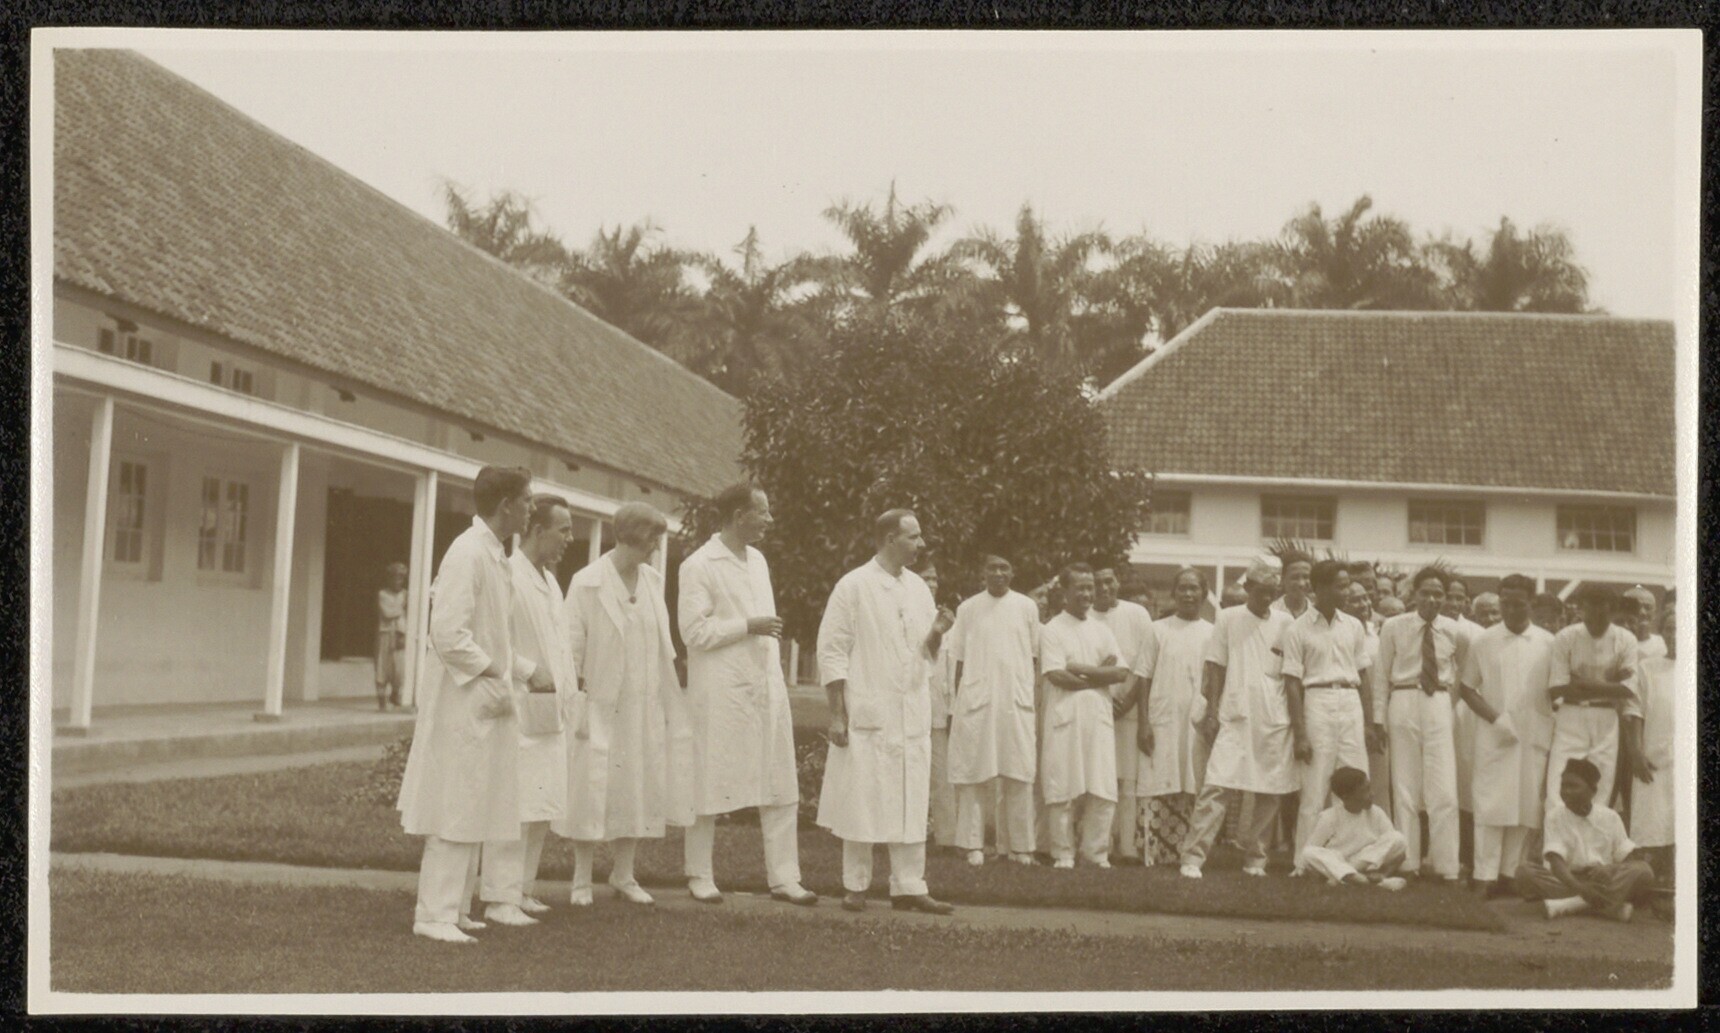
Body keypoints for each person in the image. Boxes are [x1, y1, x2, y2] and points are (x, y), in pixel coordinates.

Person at [397, 465, 534, 943]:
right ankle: (433, 915)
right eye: (527, 501)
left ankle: (455, 908)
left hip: (482, 698)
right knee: (455, 801)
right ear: (506, 506)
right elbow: (448, 635)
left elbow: (493, 633)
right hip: (463, 699)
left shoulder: (494, 554)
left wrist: (515, 670)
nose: (531, 509)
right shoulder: (468, 552)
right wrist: (495, 672)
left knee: (475, 799)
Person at [676, 484, 816, 907]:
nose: (769, 520)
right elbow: (693, 632)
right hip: (722, 692)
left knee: (780, 784)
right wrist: (747, 626)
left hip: (765, 688)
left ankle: (785, 878)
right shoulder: (699, 565)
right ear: (739, 516)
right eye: (763, 512)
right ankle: (700, 874)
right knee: (709, 783)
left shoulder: (758, 560)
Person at [817, 509, 956, 915]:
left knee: (911, 797)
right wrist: (837, 713)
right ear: (890, 538)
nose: (921, 544)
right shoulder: (853, 586)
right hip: (869, 708)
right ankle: (855, 884)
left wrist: (937, 633)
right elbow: (832, 652)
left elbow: (926, 653)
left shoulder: (919, 589)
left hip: (911, 711)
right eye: (914, 537)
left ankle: (909, 886)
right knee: (862, 797)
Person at [555, 502, 693, 906]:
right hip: (598, 703)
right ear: (633, 536)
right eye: (652, 539)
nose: (656, 547)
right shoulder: (587, 583)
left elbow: (661, 645)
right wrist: (575, 699)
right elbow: (571, 648)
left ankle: (623, 873)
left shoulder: (651, 581)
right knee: (591, 788)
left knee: (636, 785)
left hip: (641, 704)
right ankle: (581, 878)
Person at [474, 495, 575, 926]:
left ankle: (523, 889)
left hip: (550, 709)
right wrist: (531, 671)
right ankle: (500, 898)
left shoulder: (550, 581)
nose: (570, 539)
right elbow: (492, 643)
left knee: (541, 805)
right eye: (563, 530)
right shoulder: (509, 576)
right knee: (514, 806)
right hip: (518, 706)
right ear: (537, 530)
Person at [1180, 555, 1296, 879]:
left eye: (1273, 591)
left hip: (1273, 716)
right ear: (1249, 587)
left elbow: (1289, 672)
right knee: (1217, 786)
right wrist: (1213, 712)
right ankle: (1193, 857)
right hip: (1234, 712)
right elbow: (1215, 665)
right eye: (1262, 590)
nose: (1267, 597)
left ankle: (1256, 859)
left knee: (1268, 790)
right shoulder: (1228, 618)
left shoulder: (1286, 622)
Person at [1456, 574, 1555, 896]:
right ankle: (1485, 875)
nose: (1511, 610)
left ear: (1531, 603)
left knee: (1525, 805)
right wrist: (1495, 719)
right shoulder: (1484, 640)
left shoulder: (1548, 643)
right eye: (1506, 603)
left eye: (1519, 604)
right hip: (1494, 732)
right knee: (1490, 803)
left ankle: (1510, 873)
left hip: (1534, 732)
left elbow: (1556, 689)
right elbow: (1467, 688)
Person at [1281, 559, 1378, 874]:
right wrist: (1300, 734)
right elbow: (1292, 683)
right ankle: (1303, 863)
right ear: (1320, 588)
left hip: (1350, 701)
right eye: (1341, 586)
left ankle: (1349, 860)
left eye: (1348, 585)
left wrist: (1368, 723)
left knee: (1356, 782)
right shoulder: (1297, 628)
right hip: (1317, 701)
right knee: (1314, 788)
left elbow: (1364, 677)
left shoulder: (1353, 626)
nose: (1347, 591)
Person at [947, 555, 1041, 866]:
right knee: (974, 773)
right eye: (992, 568)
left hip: (1015, 700)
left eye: (1004, 567)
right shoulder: (968, 608)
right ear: (982, 572)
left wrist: (1026, 691)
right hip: (978, 699)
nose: (998, 573)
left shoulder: (1027, 607)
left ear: (1013, 572)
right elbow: (959, 659)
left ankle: (1019, 847)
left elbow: (1033, 658)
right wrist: (960, 703)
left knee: (1019, 772)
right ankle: (972, 844)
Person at [1375, 566, 1466, 880]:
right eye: (1425, 593)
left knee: (1445, 790)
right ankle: (1408, 862)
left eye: (1438, 594)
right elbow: (1380, 675)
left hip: (1438, 701)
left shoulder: (1455, 630)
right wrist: (1378, 719)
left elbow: (1465, 675)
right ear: (1413, 594)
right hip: (1403, 700)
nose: (1432, 599)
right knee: (1405, 787)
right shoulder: (1393, 627)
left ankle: (1446, 866)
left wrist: (1448, 704)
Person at [1038, 564, 1132, 869]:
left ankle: (1095, 853)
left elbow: (1120, 672)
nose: (1087, 594)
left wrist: (1079, 668)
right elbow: (1056, 675)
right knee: (1062, 786)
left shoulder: (1101, 630)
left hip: (1099, 718)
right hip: (1065, 717)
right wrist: (1099, 675)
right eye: (1080, 587)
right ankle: (1063, 852)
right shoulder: (1053, 629)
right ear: (1065, 592)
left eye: (1090, 587)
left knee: (1102, 786)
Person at [1135, 568, 1213, 866]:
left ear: (1204, 594)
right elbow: (1143, 677)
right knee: (1160, 775)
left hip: (1196, 718)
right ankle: (1154, 852)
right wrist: (1143, 722)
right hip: (1162, 716)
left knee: (1194, 778)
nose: (1188, 594)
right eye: (1183, 588)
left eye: (1194, 588)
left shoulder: (1212, 633)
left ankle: (1189, 852)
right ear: (1173, 593)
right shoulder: (1157, 630)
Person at [1515, 759, 1655, 921]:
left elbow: (1628, 859)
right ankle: (1608, 907)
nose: (1565, 792)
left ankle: (1571, 905)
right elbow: (1556, 863)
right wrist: (1581, 889)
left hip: (1603, 880)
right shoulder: (1554, 816)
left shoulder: (1610, 817)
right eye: (1563, 786)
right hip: (1568, 879)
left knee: (1643, 871)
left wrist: (1609, 869)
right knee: (1525, 872)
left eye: (1573, 786)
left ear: (1593, 791)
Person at [1546, 584, 1640, 813]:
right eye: (1590, 612)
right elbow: (1558, 688)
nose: (1596, 620)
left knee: (1601, 787)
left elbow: (1628, 690)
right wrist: (1611, 684)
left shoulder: (1626, 639)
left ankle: (1594, 837)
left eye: (1602, 614)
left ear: (1613, 612)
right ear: (1581, 609)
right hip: (1571, 716)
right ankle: (1558, 836)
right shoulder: (1566, 637)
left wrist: (1581, 682)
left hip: (1606, 717)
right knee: (1558, 787)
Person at [1093, 566, 1156, 864]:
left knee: (1128, 781)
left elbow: (1145, 664)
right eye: (1097, 583)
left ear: (1118, 582)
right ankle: (1100, 843)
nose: (1104, 588)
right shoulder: (1086, 617)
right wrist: (1105, 702)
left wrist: (1129, 701)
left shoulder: (1137, 614)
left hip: (1129, 708)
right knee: (1100, 779)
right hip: (1096, 708)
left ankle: (1128, 845)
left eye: (1109, 581)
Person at [1299, 767, 1408, 890]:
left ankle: (1350, 876)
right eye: (1365, 791)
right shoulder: (1329, 817)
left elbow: (1399, 853)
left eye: (1369, 788)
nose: (1372, 794)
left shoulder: (1377, 813)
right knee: (1308, 852)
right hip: (1338, 862)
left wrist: (1384, 873)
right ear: (1346, 796)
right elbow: (1310, 854)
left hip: (1365, 864)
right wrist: (1328, 866)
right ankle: (1366, 880)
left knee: (1398, 838)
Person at [1628, 606, 1674, 885]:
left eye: (1682, 628)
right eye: (1670, 628)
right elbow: (1635, 712)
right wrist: (1636, 752)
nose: (1676, 634)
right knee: (1656, 819)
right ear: (1662, 632)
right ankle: (1655, 879)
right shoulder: (1648, 668)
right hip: (1655, 755)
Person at [920, 558, 961, 855]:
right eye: (926, 578)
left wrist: (951, 709)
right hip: (909, 707)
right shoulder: (904, 614)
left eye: (935, 579)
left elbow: (951, 668)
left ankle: (947, 837)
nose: (932, 584)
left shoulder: (948, 620)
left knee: (942, 775)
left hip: (937, 709)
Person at [1443, 575, 1484, 877]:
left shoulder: (1477, 634)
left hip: (1465, 711)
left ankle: (1467, 854)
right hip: (1435, 707)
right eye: (1449, 596)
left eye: (1459, 598)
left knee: (1465, 778)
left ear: (1466, 603)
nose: (1453, 603)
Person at [1347, 580, 1391, 823]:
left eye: (1365, 598)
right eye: (1355, 600)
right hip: (1351, 713)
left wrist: (1377, 719)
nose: (1363, 604)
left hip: (1380, 714)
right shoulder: (1343, 633)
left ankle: (1379, 832)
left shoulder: (1379, 632)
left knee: (1380, 778)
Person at [375, 562, 409, 711]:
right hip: (385, 633)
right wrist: (401, 608)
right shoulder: (383, 594)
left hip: (401, 634)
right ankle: (381, 700)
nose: (397, 581)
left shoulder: (405, 594)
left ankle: (395, 696)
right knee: (383, 666)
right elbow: (387, 613)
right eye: (395, 577)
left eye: (401, 578)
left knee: (399, 668)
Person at [1623, 586, 1667, 661]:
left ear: (1655, 613)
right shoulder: (1613, 643)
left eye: (1648, 607)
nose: (1642, 612)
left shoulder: (1664, 645)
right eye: (1636, 607)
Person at [1272, 550, 1313, 620]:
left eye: (1306, 577)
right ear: (1282, 579)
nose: (1301, 583)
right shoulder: (1272, 612)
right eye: (1295, 577)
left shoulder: (1318, 614)